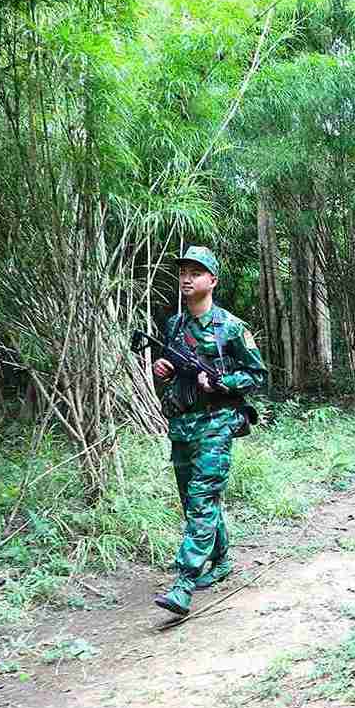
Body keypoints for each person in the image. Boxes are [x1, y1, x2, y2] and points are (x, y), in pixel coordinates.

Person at [151, 246, 267, 616]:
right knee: (192, 500)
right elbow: (170, 362)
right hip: (182, 423)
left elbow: (257, 375)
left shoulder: (231, 327)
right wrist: (165, 367)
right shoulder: (174, 325)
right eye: (183, 271)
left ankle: (184, 581)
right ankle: (222, 559)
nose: (187, 278)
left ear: (212, 281)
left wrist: (220, 381)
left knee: (202, 497)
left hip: (217, 423)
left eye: (196, 272)